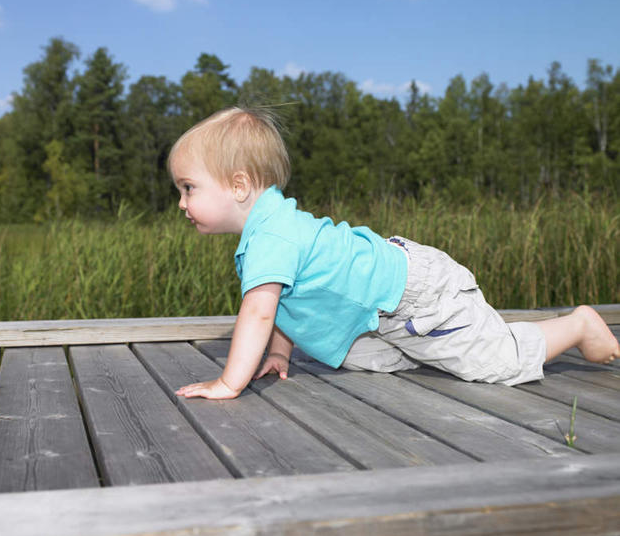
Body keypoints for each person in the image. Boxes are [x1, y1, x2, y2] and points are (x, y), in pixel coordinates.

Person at [169, 106, 619, 400]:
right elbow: (286, 300)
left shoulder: (272, 237)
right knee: (366, 360)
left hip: (414, 296)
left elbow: (260, 313)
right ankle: (450, 342)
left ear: (240, 185)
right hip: (386, 300)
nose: (182, 203)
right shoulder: (272, 229)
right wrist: (281, 355)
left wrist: (230, 382)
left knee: (492, 363)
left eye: (189, 188)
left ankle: (578, 325)